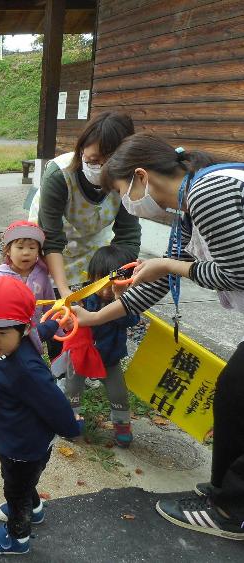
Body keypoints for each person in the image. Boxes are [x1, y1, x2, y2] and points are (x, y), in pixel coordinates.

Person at [73, 134, 244, 540]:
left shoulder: (207, 192)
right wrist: (93, 318)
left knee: (237, 395)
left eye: (122, 192)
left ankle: (230, 509)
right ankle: (226, 495)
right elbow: (156, 282)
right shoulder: (189, 204)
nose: (128, 203)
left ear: (140, 177)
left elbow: (236, 272)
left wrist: (167, 263)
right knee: (233, 394)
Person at [0, 276, 83, 555]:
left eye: (1, 333)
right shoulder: (22, 339)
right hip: (22, 438)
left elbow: (54, 402)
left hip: (21, 445)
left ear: (22, 329)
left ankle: (16, 537)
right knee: (24, 484)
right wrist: (56, 324)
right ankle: (33, 507)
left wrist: (71, 427)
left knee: (15, 488)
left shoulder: (23, 370)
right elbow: (40, 331)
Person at [28, 112, 140, 357]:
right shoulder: (59, 175)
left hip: (95, 241)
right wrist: (65, 291)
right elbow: (53, 239)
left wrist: (113, 277)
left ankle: (83, 357)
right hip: (56, 244)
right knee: (59, 303)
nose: (97, 167)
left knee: (91, 302)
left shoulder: (128, 178)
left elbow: (128, 237)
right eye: (91, 159)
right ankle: (59, 362)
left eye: (105, 161)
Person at [54, 245, 139, 447]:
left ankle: (122, 424)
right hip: (82, 355)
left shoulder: (125, 302)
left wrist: (121, 299)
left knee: (118, 393)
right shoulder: (83, 299)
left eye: (116, 285)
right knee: (73, 388)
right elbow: (70, 322)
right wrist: (67, 321)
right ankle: (71, 419)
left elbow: (130, 321)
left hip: (110, 358)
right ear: (93, 278)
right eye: (103, 283)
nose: (109, 290)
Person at [0, 221, 58, 350]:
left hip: (33, 334)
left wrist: (58, 328)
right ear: (8, 251)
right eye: (20, 247)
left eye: (32, 248)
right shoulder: (0, 277)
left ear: (38, 251)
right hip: (5, 334)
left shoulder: (42, 276)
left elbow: (50, 305)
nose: (26, 252)